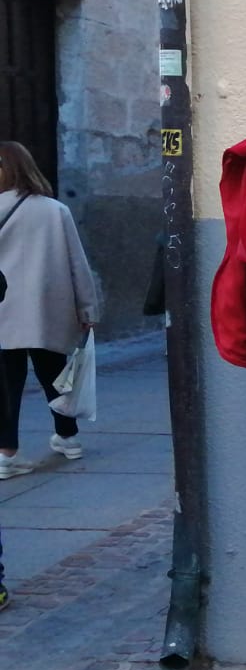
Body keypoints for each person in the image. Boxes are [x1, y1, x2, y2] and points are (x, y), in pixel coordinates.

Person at [0, 142, 99, 479]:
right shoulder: (55, 211)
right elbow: (77, 264)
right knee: (56, 376)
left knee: (6, 385)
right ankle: (69, 438)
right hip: (46, 311)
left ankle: (6, 453)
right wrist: (88, 307)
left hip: (4, 312)